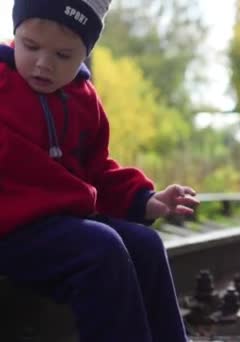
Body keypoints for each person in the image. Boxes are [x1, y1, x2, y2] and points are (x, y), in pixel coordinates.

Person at [0, 0, 200, 341]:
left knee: (146, 244)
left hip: (63, 229)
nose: (44, 64)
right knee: (101, 248)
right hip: (11, 231)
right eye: (31, 47)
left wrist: (148, 200)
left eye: (63, 56)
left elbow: (97, 171)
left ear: (85, 53)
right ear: (15, 34)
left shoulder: (83, 98)